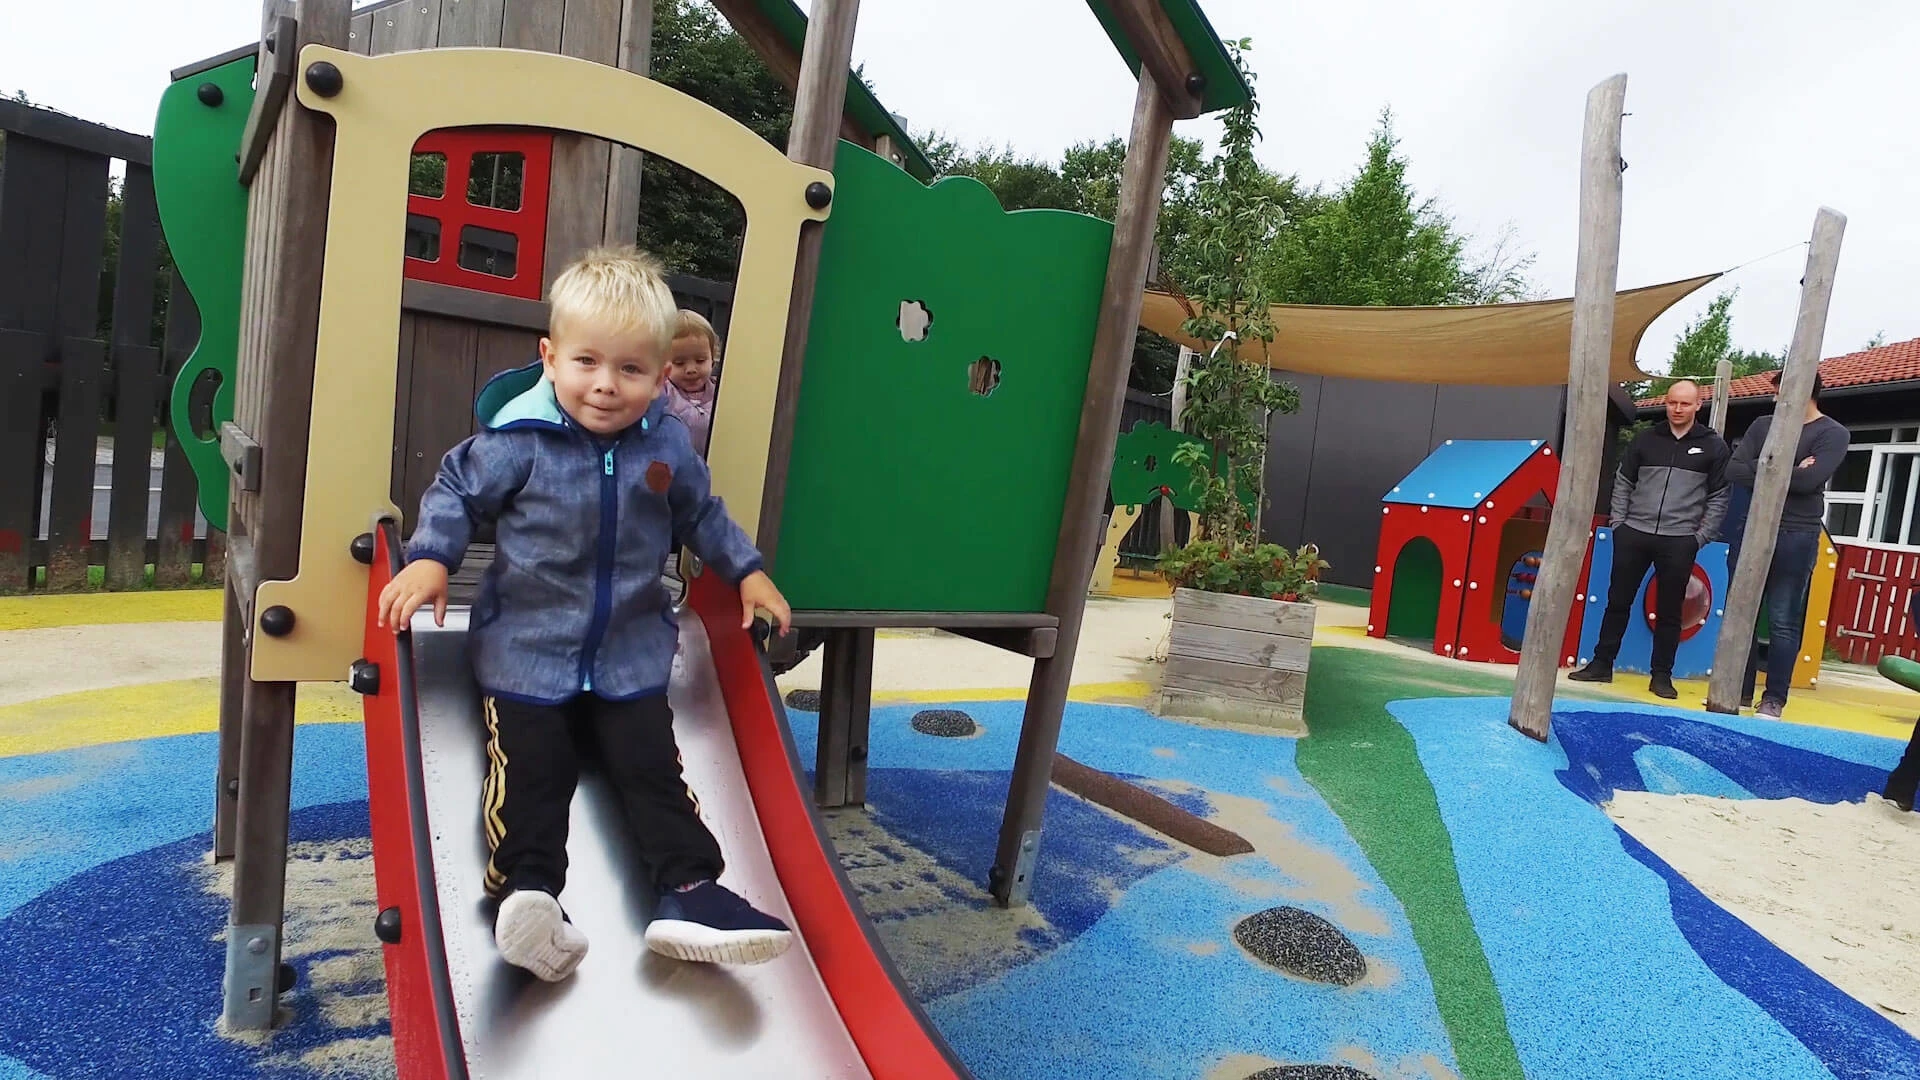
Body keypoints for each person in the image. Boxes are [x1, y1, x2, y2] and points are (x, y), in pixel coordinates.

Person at [376, 246, 796, 981]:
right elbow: (455, 493)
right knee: (531, 774)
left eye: (631, 370)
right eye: (587, 363)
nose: (606, 386)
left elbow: (702, 513)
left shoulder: (664, 445)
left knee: (654, 770)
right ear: (550, 356)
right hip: (526, 656)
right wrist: (431, 556)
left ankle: (690, 892)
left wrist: (749, 573)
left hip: (630, 656)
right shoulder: (518, 440)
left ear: (662, 376)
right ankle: (531, 897)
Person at [1570, 378, 1729, 699]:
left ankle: (1661, 676)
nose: (1678, 409)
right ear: (1666, 403)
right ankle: (1602, 664)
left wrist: (1699, 537)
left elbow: (1719, 495)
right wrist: (1620, 524)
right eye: (1672, 402)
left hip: (1680, 539)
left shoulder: (1713, 446)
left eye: (1685, 403)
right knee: (1618, 601)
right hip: (1634, 533)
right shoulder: (1646, 439)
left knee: (1671, 610)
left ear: (1699, 405)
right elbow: (1624, 481)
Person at [1721, 370, 1848, 718]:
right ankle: (1737, 691)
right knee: (1741, 612)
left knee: (1782, 618)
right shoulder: (1763, 426)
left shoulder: (1832, 433)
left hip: (1797, 532)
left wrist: (1766, 468)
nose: (1775, 399)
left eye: (1780, 392)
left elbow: (1810, 482)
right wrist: (1790, 468)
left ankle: (1774, 698)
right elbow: (1734, 470)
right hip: (1753, 526)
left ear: (1804, 392)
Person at [663, 309, 719, 457]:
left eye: (700, 360)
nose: (691, 369)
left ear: (713, 358)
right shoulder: (664, 392)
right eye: (679, 363)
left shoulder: (720, 392)